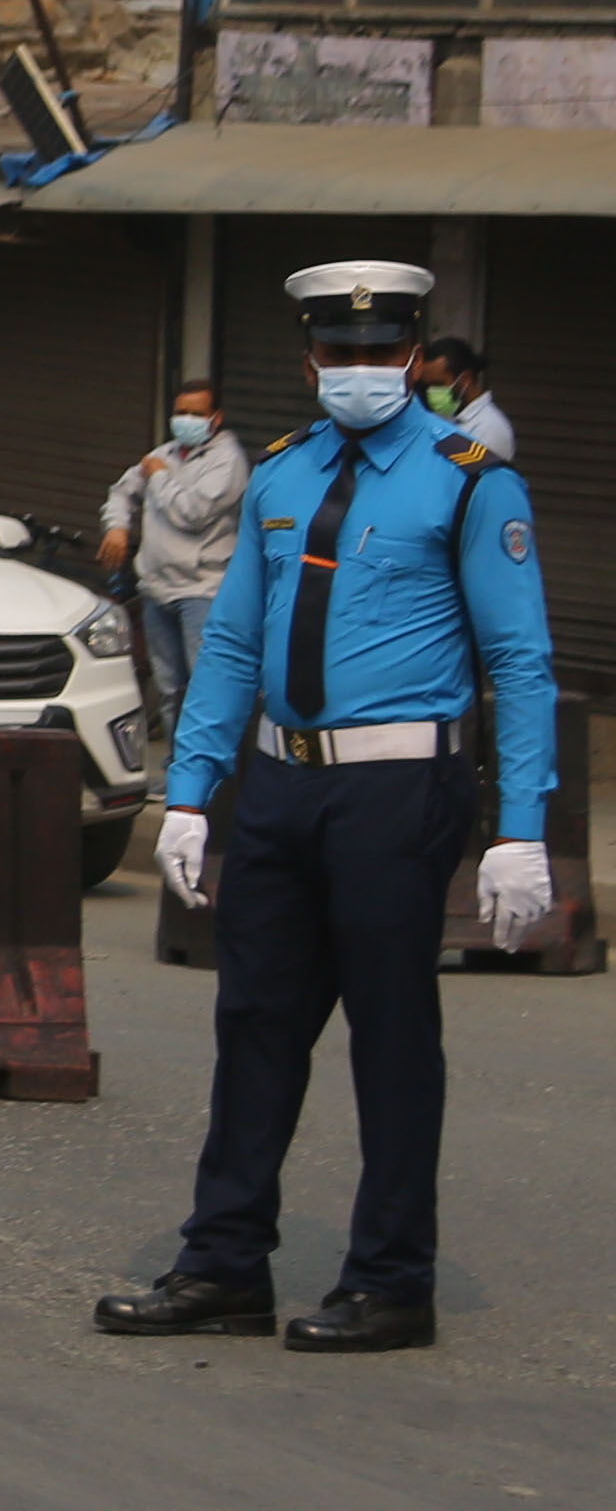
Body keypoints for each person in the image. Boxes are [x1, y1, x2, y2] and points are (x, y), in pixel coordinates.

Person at [100, 262, 559, 1357]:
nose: (358, 371)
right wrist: (191, 794)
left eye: (380, 353)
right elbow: (233, 648)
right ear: (309, 362)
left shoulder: (468, 480)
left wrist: (521, 827)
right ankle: (222, 1262)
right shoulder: (281, 474)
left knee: (391, 1033)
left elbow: (520, 659)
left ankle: (391, 1277)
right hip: (279, 783)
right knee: (252, 1023)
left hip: (396, 787)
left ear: (412, 359)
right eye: (338, 355)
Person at [97, 375, 247, 730]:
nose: (186, 421)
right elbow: (122, 491)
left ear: (216, 418)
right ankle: (177, 769)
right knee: (169, 689)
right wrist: (117, 527)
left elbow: (192, 514)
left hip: (201, 591)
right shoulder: (163, 454)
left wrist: (160, 477)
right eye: (181, 413)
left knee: (205, 688)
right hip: (157, 589)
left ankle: (213, 776)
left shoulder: (228, 462)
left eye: (196, 414)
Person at [414, 335, 518, 466]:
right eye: (427, 386)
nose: (431, 392)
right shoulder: (447, 417)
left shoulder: (490, 428)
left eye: (438, 384)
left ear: (466, 379)